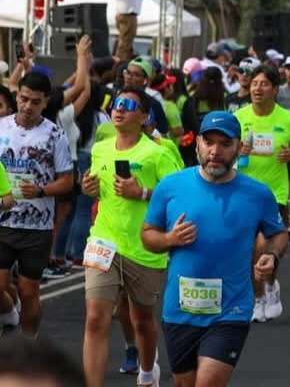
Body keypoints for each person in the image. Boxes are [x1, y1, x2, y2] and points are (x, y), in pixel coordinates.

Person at [142, 111, 287, 387]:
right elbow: (148, 235)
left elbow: (278, 233)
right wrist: (170, 239)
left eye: (225, 143)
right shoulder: (171, 186)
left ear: (238, 147)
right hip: (180, 308)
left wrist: (271, 254)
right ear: (197, 143)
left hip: (230, 309)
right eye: (209, 142)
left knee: (208, 383)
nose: (215, 151)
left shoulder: (257, 193)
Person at [80, 88, 182, 387]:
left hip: (145, 247)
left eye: (128, 105)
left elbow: (180, 198)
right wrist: (89, 188)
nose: (119, 109)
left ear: (144, 116)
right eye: (115, 104)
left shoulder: (158, 153)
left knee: (141, 320)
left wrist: (143, 193)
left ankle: (148, 370)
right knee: (96, 319)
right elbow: (99, 188)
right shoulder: (101, 148)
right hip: (104, 241)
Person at [0, 73, 74, 336]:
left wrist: (40, 190)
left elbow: (67, 182)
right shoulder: (1, 127)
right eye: (23, 98)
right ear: (16, 95)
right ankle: (10, 315)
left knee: (28, 292)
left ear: (46, 102)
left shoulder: (55, 135)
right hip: (3, 222)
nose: (27, 106)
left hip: (36, 227)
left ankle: (28, 348)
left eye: (34, 101)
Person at [233, 66, 290, 321]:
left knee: (266, 246)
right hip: (244, 190)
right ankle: (259, 296)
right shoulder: (239, 117)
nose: (257, 88)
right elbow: (227, 150)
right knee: (252, 249)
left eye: (264, 84)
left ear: (275, 89)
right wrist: (239, 153)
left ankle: (269, 285)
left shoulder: (289, 120)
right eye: (254, 84)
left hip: (275, 192)